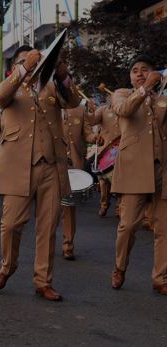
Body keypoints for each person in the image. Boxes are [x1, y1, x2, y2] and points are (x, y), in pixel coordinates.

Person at [0, 45, 81, 301]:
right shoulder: (10, 86)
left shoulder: (51, 86)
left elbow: (73, 101)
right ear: (15, 66)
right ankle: (7, 266)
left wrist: (62, 73)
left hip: (51, 164)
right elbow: (0, 97)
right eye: (26, 60)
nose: (34, 64)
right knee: (10, 224)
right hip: (18, 165)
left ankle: (43, 280)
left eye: (37, 60)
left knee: (47, 226)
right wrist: (25, 66)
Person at [109, 55, 167, 295]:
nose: (140, 73)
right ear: (130, 77)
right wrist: (144, 88)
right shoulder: (121, 94)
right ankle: (120, 267)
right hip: (134, 169)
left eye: (145, 69)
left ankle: (161, 277)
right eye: (135, 70)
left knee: (164, 228)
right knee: (129, 225)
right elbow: (125, 110)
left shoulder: (163, 99)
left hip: (162, 168)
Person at [61, 103, 101, 260]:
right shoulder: (46, 105)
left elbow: (88, 133)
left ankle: (68, 245)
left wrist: (94, 138)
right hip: (51, 164)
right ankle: (46, 243)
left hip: (75, 164)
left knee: (69, 206)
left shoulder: (79, 109)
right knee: (48, 208)